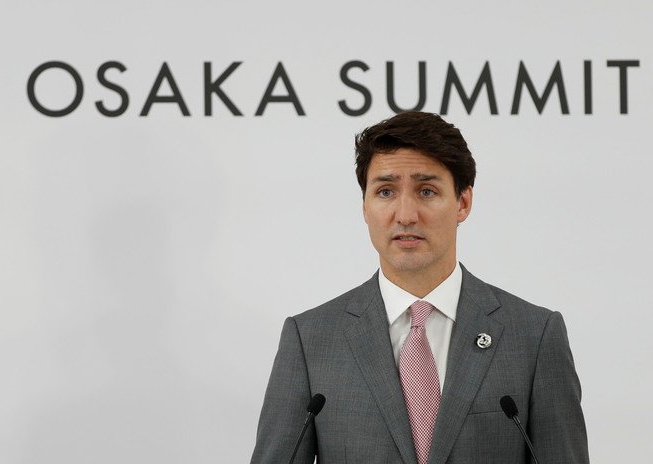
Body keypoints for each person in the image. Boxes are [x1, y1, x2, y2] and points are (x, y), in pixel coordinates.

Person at [250, 112, 588, 464]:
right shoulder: (310, 341)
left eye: (426, 191)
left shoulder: (533, 337)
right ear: (364, 206)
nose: (406, 215)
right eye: (385, 191)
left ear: (463, 202)